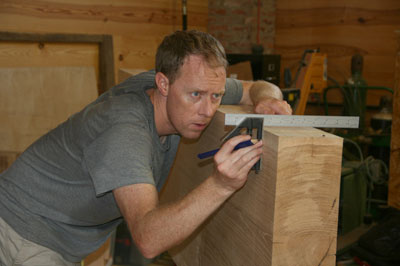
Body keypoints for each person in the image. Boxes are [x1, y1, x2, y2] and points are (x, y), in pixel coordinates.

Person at [0, 30, 291, 265]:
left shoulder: (174, 86)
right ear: (163, 84)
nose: (207, 109)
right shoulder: (126, 132)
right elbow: (148, 239)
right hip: (22, 232)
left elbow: (259, 86)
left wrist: (267, 99)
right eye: (196, 95)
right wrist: (221, 184)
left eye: (216, 96)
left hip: (56, 231)